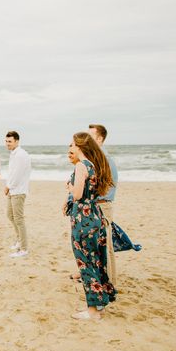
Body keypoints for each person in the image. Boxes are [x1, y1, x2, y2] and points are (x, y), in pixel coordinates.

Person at [67, 132, 116, 320]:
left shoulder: (81, 166)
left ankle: (93, 312)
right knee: (96, 262)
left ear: (80, 146)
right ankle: (100, 305)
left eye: (72, 145)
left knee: (85, 264)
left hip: (83, 220)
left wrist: (69, 188)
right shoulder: (95, 166)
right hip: (95, 216)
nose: (70, 148)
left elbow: (78, 195)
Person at [88, 124, 119, 285]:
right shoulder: (96, 157)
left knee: (104, 248)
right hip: (97, 205)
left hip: (102, 206)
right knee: (93, 246)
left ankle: (109, 282)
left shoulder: (104, 159)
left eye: (91, 136)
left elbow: (102, 188)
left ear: (100, 139)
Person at [4, 131, 31, 257]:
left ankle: (24, 248)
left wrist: (8, 186)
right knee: (10, 215)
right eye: (6, 141)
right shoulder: (13, 154)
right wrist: (8, 185)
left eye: (10, 141)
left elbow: (18, 174)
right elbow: (11, 172)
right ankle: (19, 240)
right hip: (13, 190)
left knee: (19, 219)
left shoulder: (21, 155)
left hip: (18, 191)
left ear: (17, 141)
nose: (7, 144)